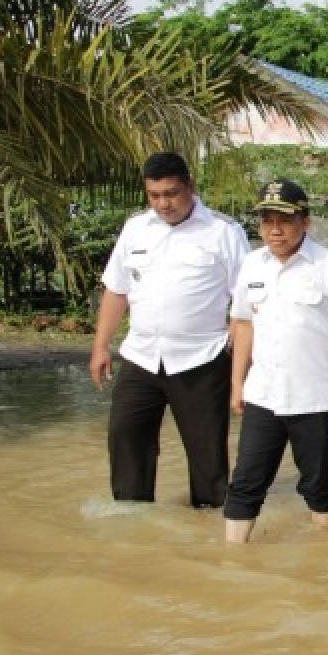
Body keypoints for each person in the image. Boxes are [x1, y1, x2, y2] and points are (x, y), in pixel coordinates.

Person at [90, 152, 249, 508]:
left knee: (207, 457)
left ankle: (210, 526)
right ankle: (132, 519)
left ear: (189, 186)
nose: (164, 203)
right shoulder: (135, 229)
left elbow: (245, 302)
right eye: (155, 195)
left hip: (202, 360)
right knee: (125, 438)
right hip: (141, 357)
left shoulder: (223, 231)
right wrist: (101, 346)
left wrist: (239, 359)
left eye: (172, 193)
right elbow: (117, 289)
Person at [222, 180, 328, 541]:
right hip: (263, 395)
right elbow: (242, 325)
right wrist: (237, 384)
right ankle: (232, 562)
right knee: (245, 483)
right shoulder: (251, 265)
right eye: (267, 220)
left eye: (284, 220)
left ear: (305, 222)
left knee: (319, 486)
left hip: (314, 398)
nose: (275, 229)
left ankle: (321, 562)